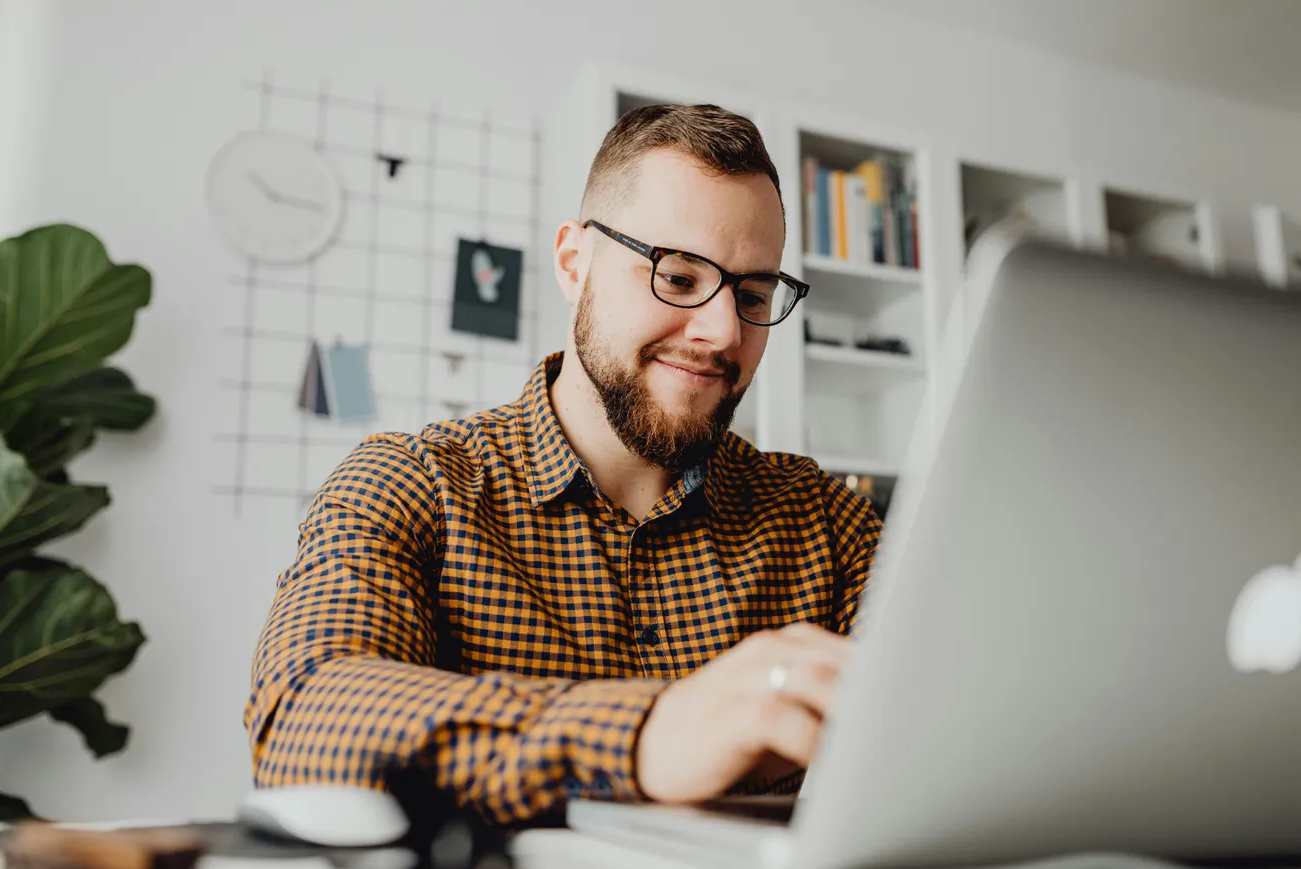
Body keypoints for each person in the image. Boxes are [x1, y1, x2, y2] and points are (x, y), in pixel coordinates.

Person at [244, 103, 882, 826]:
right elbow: (303, 724)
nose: (723, 331)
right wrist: (649, 733)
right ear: (574, 264)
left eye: (754, 293)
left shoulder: (824, 518)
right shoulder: (409, 482)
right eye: (676, 277)